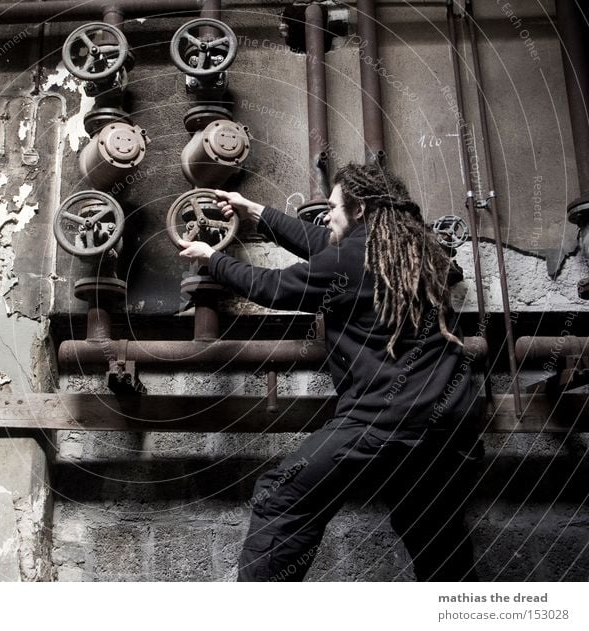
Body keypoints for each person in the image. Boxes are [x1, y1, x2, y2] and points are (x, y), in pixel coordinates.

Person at [177, 162, 483, 581]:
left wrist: (213, 259)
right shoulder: (413, 248)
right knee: (431, 527)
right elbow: (325, 243)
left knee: (281, 497)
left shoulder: (355, 258)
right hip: (449, 418)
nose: (327, 215)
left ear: (358, 210)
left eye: (335, 207)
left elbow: (276, 287)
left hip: (385, 416)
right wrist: (256, 211)